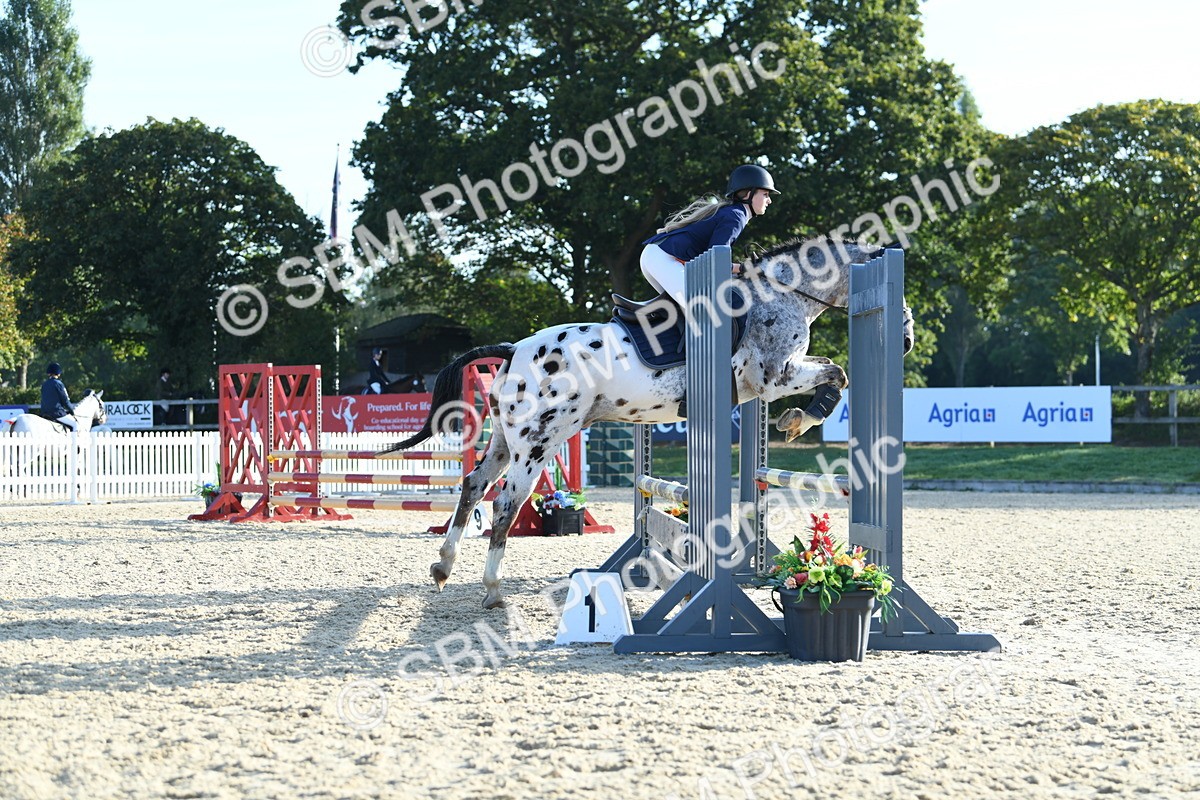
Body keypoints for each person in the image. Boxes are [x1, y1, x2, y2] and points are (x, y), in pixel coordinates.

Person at [640, 164, 778, 307]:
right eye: (765, 194)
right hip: (663, 259)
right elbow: (715, 261)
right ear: (749, 194)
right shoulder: (736, 216)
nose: (769, 200)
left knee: (681, 312)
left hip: (656, 257)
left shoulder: (732, 213)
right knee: (707, 308)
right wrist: (743, 268)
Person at [40, 362, 75, 431]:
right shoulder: (59, 384)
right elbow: (65, 400)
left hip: (44, 413)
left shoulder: (44, 384)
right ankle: (74, 442)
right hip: (56, 413)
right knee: (75, 424)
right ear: (58, 373)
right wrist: (72, 410)